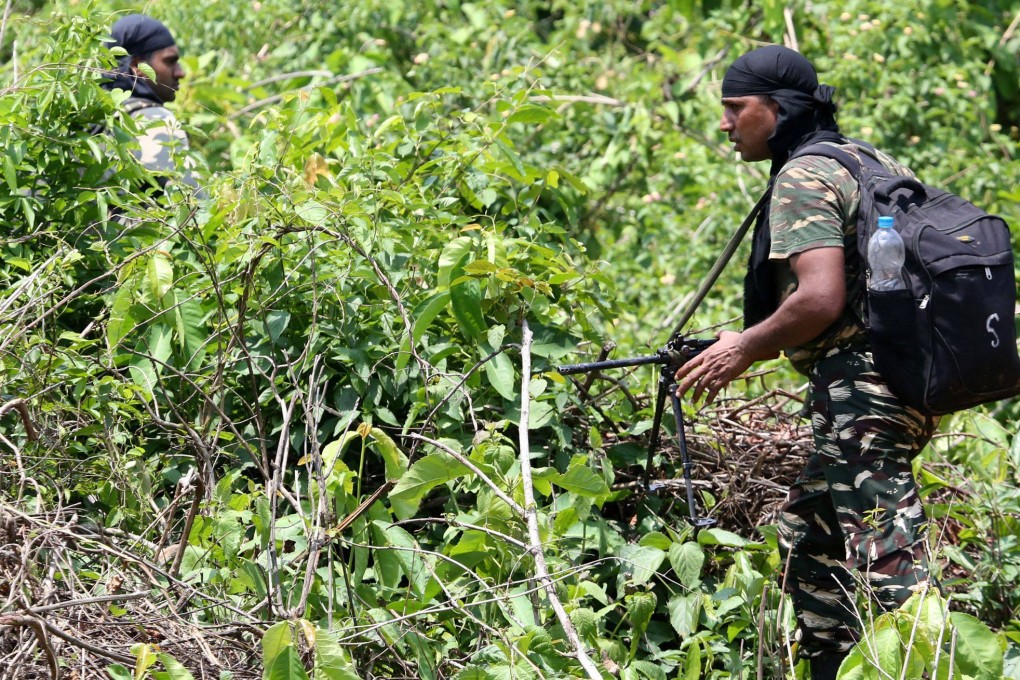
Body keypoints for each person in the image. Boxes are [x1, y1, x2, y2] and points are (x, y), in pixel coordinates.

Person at [674, 46, 937, 680]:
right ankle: (831, 667)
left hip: (861, 389)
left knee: (889, 557)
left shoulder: (803, 176)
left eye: (736, 108)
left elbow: (821, 298)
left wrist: (740, 347)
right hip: (907, 378)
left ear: (778, 108)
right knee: (808, 540)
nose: (726, 123)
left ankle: (935, 666)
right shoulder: (870, 160)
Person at [102, 14, 200, 193]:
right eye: (170, 61)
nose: (180, 73)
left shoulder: (89, 117)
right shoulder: (155, 119)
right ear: (137, 66)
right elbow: (189, 202)